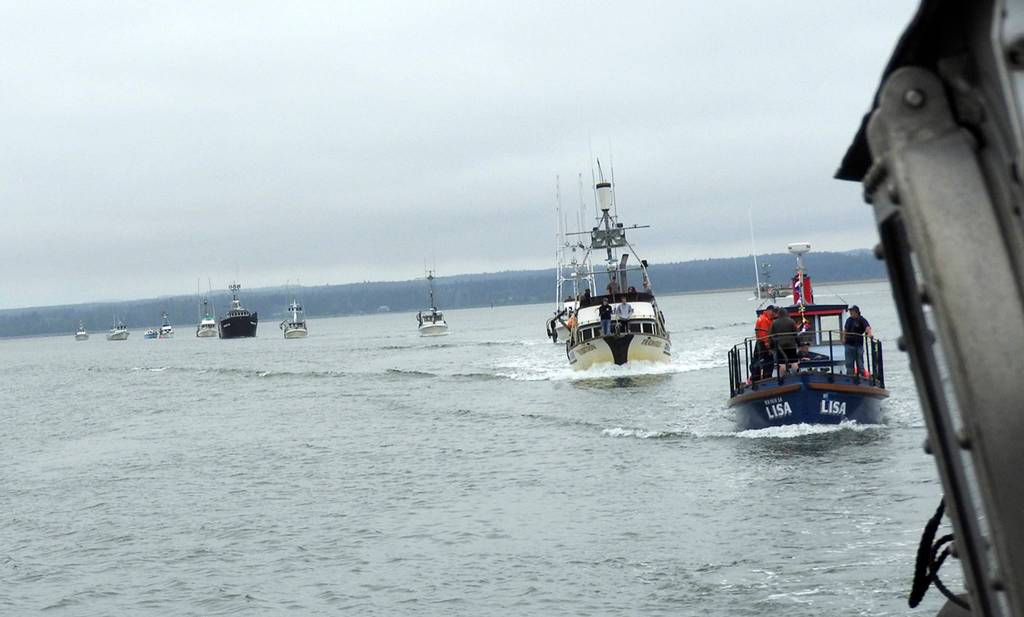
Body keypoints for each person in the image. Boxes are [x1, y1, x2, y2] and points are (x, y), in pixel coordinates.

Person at [843, 305, 873, 376]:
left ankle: (862, 376)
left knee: (860, 362)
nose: (850, 313)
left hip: (858, 344)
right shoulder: (849, 320)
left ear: (856, 312)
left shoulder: (861, 319)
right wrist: (844, 339)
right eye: (850, 311)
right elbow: (845, 330)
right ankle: (850, 377)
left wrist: (869, 334)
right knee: (849, 363)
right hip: (849, 344)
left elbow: (867, 327)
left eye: (852, 311)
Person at [769, 307, 799, 376]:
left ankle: (782, 378)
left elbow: (771, 336)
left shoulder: (774, 323)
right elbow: (796, 334)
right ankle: (796, 375)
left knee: (781, 363)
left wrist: (771, 347)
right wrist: (799, 343)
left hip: (780, 346)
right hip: (791, 346)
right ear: (786, 314)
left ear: (778, 314)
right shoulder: (791, 321)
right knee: (794, 361)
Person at [750, 305, 776, 380]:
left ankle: (756, 376)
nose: (774, 314)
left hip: (759, 343)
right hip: (763, 344)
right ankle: (766, 377)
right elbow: (764, 334)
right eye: (773, 312)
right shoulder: (765, 320)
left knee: (757, 360)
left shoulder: (762, 318)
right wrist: (768, 347)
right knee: (768, 361)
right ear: (769, 310)